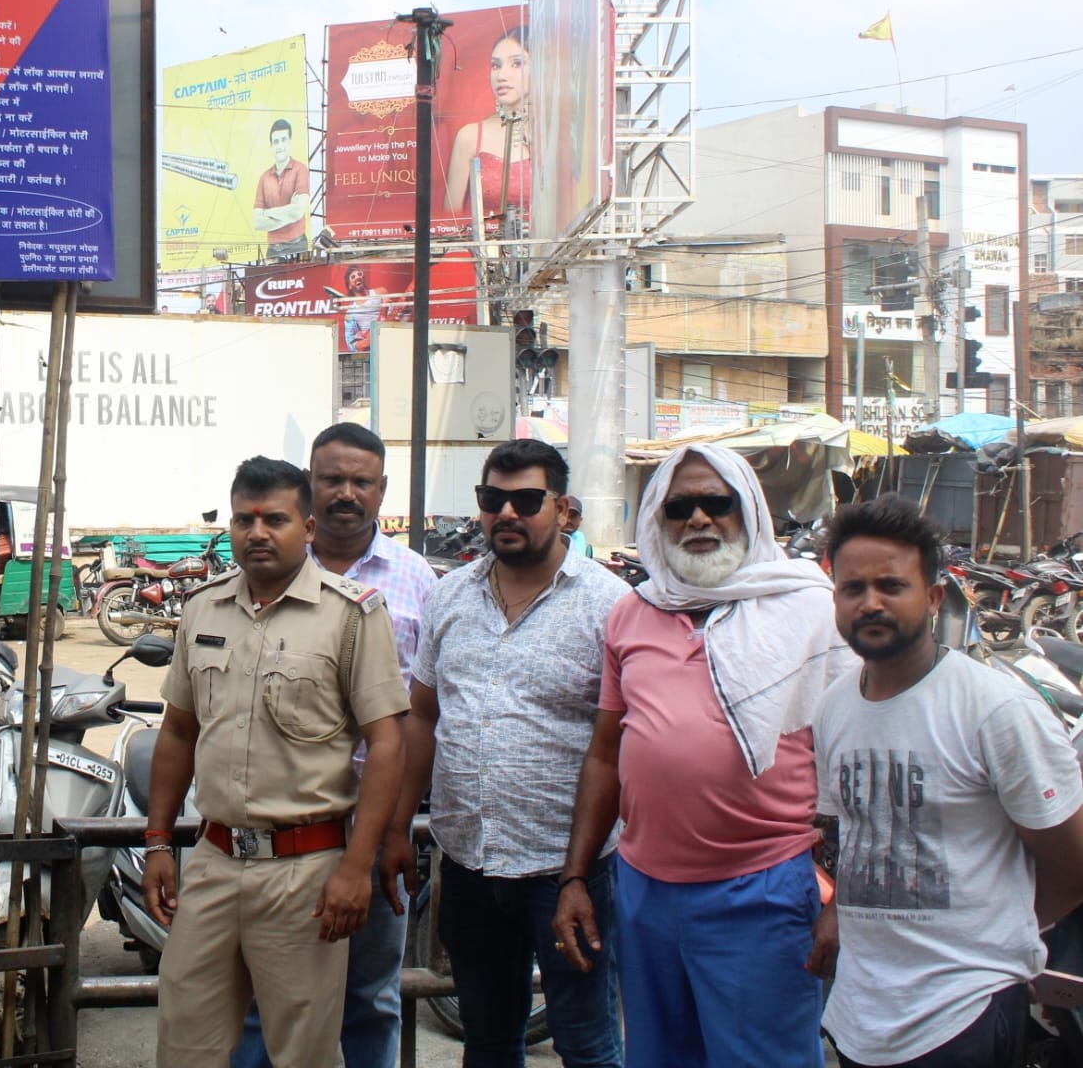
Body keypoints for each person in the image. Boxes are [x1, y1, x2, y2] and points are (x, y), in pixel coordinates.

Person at [552, 443, 859, 1068]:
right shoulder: (633, 613)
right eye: (679, 507)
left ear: (749, 511)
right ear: (657, 521)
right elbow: (607, 754)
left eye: (717, 503)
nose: (698, 519)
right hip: (646, 892)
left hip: (764, 888)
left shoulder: (809, 608)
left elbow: (856, 761)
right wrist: (575, 877)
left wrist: (845, 900)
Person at [145, 456, 409, 1067]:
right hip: (213, 862)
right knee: (184, 1044)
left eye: (275, 520)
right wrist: (158, 841)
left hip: (306, 872)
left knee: (303, 1053)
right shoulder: (203, 609)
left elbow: (388, 743)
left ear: (308, 528)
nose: (257, 532)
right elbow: (178, 731)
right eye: (244, 519)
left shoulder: (351, 615)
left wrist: (355, 867)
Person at [382, 438, 628, 1067]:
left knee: (587, 1044)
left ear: (564, 510)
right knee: (487, 1044)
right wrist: (398, 829)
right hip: (469, 867)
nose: (507, 513)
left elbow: (618, 747)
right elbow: (422, 717)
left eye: (526, 500)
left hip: (567, 875)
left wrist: (578, 876)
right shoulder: (451, 596)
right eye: (493, 499)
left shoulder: (610, 606)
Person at [813, 495, 1083, 1067]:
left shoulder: (994, 710)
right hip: (863, 1014)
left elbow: (1072, 863)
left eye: (892, 585)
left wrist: (990, 935)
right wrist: (840, 914)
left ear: (934, 598)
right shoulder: (835, 707)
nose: (871, 602)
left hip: (964, 1012)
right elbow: (858, 836)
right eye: (853, 588)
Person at [232, 425, 438, 1068]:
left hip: (374, 823)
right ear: (310, 485)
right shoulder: (271, 569)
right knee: (266, 998)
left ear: (382, 490)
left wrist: (396, 828)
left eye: (361, 482)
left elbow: (421, 717)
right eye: (332, 480)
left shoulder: (417, 579)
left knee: (370, 995)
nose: (346, 493)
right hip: (284, 820)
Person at [444, 28, 532, 219]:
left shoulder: (557, 136)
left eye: (516, 64)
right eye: (496, 66)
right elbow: (449, 222)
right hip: (485, 238)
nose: (501, 75)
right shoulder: (470, 136)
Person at [253, 118, 309, 259]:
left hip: (298, 246)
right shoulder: (264, 178)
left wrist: (268, 213)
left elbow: (298, 211)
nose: (280, 145)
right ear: (271, 146)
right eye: (276, 142)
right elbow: (257, 222)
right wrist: (289, 212)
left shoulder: (301, 170)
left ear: (290, 142)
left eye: (283, 140)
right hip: (274, 250)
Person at [340, 266, 382, 353]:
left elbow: (394, 316)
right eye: (353, 277)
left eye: (359, 274)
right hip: (371, 351)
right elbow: (350, 343)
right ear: (349, 285)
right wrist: (365, 343)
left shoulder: (380, 292)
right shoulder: (350, 313)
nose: (357, 277)